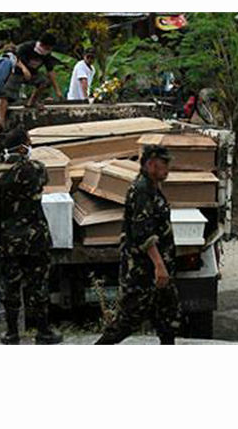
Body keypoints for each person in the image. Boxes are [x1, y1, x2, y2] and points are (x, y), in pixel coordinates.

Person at [0, 127, 62, 345]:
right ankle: (44, 332)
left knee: (10, 288)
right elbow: (43, 182)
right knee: (38, 286)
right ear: (24, 147)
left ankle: (12, 333)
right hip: (35, 240)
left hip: (7, 242)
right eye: (29, 143)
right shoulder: (37, 169)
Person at [95, 144, 181, 345]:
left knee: (168, 318)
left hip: (157, 268)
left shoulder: (153, 188)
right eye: (164, 164)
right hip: (143, 270)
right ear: (151, 164)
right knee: (127, 320)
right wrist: (159, 266)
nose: (168, 168)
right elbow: (143, 234)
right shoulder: (142, 190)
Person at [0, 33, 62, 131]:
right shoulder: (26, 47)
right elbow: (14, 58)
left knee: (44, 82)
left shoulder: (46, 55)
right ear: (42, 45)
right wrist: (24, 69)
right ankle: (1, 117)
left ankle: (32, 102)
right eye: (47, 48)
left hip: (32, 74)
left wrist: (57, 90)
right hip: (17, 73)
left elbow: (50, 72)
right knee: (5, 93)